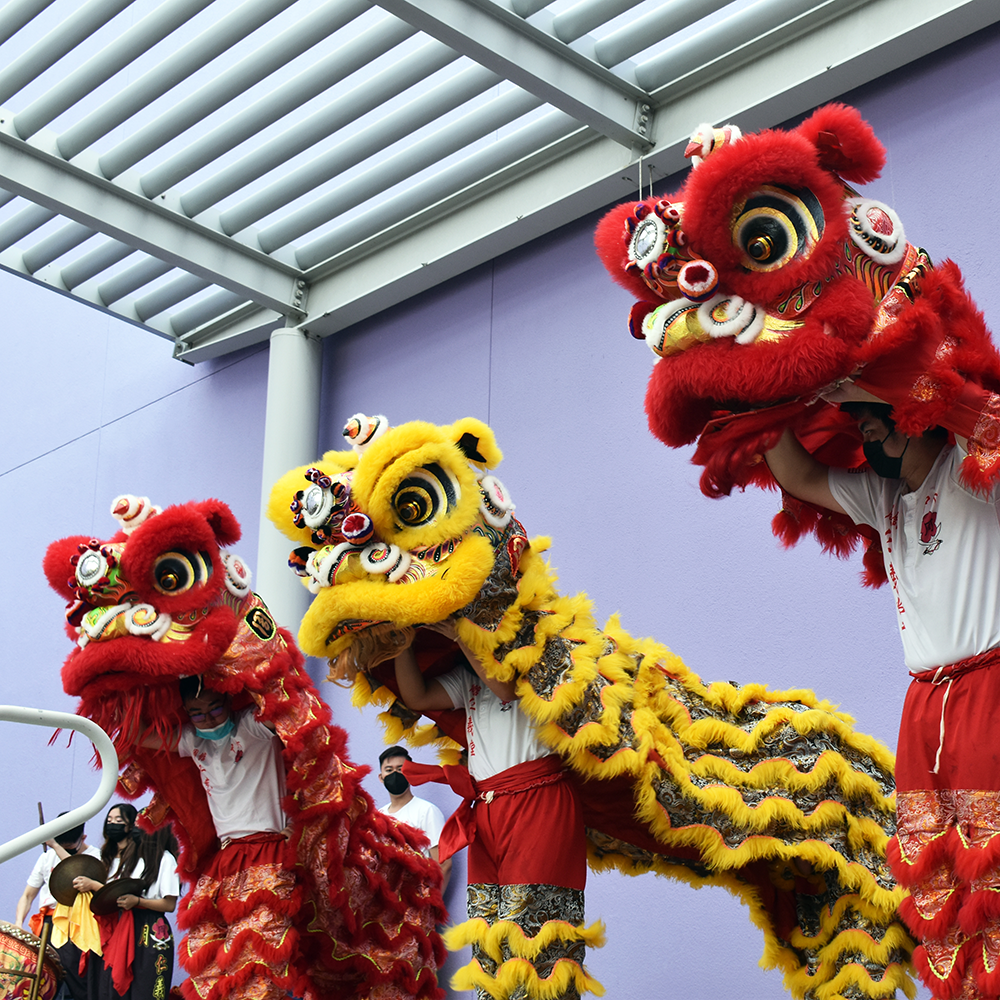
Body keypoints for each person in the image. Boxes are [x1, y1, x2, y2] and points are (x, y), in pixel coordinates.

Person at [765, 390, 1000, 1000]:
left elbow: (977, 410)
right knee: (937, 891)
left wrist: (887, 375)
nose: (867, 433)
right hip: (921, 710)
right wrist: (749, 390)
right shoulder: (883, 495)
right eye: (861, 425)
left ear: (919, 414)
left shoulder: (977, 469)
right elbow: (798, 473)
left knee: (992, 884)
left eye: (879, 418)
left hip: (987, 691)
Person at [393, 624, 590, 1000]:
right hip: (487, 811)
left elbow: (504, 686)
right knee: (490, 936)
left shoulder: (531, 653)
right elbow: (417, 697)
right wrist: (400, 640)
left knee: (532, 939)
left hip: (538, 802)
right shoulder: (468, 672)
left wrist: (458, 630)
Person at [141, 676, 295, 1000]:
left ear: (228, 701)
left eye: (215, 707)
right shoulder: (194, 741)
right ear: (186, 713)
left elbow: (282, 703)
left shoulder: (251, 726)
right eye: (197, 712)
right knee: (206, 956)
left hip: (268, 853)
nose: (209, 718)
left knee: (257, 957)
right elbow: (135, 736)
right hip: (225, 862)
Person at [71, 803, 179, 999]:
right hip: (124, 922)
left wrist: (138, 901)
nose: (136, 830)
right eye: (136, 824)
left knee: (144, 986)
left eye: (141, 825)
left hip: (150, 927)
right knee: (113, 985)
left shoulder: (165, 859)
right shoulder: (131, 858)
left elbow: (169, 904)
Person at [14, 814, 102, 1000]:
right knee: (42, 978)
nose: (64, 851)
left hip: (78, 925)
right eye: (61, 847)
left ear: (83, 838)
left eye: (69, 849)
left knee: (76, 980)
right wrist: (18, 922)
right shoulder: (47, 858)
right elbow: (28, 895)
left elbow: (74, 870)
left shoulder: (95, 856)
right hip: (48, 924)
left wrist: (55, 845)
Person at [378, 745, 451, 892]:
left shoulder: (427, 811)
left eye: (400, 769)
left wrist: (432, 906)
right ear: (381, 778)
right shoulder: (378, 816)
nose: (395, 774)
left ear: (410, 773)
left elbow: (444, 863)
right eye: (389, 770)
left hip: (417, 900)